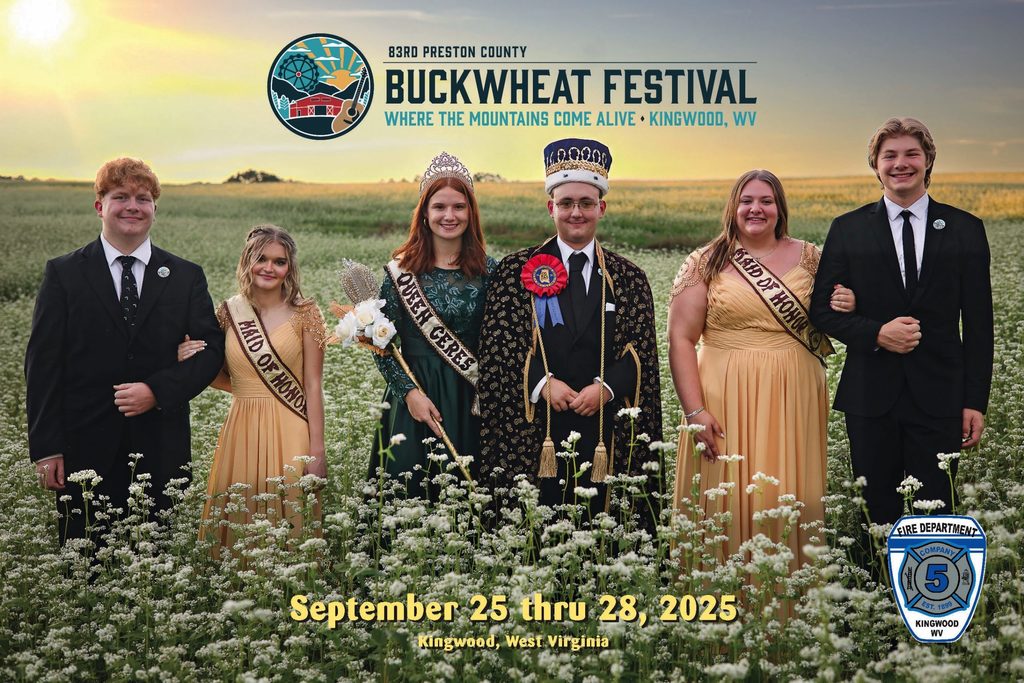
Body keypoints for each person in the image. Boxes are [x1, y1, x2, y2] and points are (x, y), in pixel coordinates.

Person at [810, 117, 993, 572]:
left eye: (911, 154)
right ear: (875, 165)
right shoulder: (848, 228)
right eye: (889, 155)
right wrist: (875, 333)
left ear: (929, 161)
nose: (901, 164)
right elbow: (822, 311)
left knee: (936, 515)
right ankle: (880, 610)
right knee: (877, 513)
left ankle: (932, 607)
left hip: (941, 396)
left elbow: (981, 323)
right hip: (871, 397)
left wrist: (975, 400)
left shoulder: (967, 228)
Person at [25, 157, 224, 545]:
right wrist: (47, 449)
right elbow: (43, 365)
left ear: (154, 209)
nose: (133, 205)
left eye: (144, 198)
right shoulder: (64, 274)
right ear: (100, 206)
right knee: (85, 570)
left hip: (160, 449)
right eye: (121, 196)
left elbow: (211, 350)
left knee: (157, 576)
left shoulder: (185, 275)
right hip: (83, 453)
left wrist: (157, 390)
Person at [669, 169, 854, 569]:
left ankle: (789, 599)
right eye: (747, 200)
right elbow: (681, 339)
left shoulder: (811, 257)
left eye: (766, 201)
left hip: (794, 393)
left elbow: (837, 314)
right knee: (725, 496)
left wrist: (850, 302)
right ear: (733, 207)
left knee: (788, 491)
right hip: (722, 394)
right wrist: (695, 412)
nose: (756, 208)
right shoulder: (706, 261)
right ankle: (720, 600)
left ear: (779, 208)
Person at [478, 138, 662, 525]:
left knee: (603, 535)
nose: (576, 212)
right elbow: (498, 351)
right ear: (551, 208)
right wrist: (541, 383)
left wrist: (607, 388)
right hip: (536, 431)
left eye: (586, 203)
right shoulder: (514, 272)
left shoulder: (629, 278)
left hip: (603, 430)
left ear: (602, 208)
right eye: (566, 203)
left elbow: (641, 353)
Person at [177, 226, 327, 554]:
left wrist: (317, 451)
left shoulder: (306, 313)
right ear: (247, 260)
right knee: (240, 512)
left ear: (289, 267)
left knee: (290, 510)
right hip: (241, 427)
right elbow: (211, 372)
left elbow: (314, 384)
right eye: (261, 259)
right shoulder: (229, 313)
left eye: (279, 261)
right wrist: (185, 358)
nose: (269, 268)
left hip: (293, 426)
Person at [369, 151, 496, 497]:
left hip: (469, 397)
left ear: (471, 213)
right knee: (410, 494)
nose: (449, 216)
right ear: (424, 213)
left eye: (458, 207)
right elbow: (380, 345)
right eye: (439, 207)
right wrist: (408, 394)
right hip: (415, 401)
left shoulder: (490, 271)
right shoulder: (399, 273)